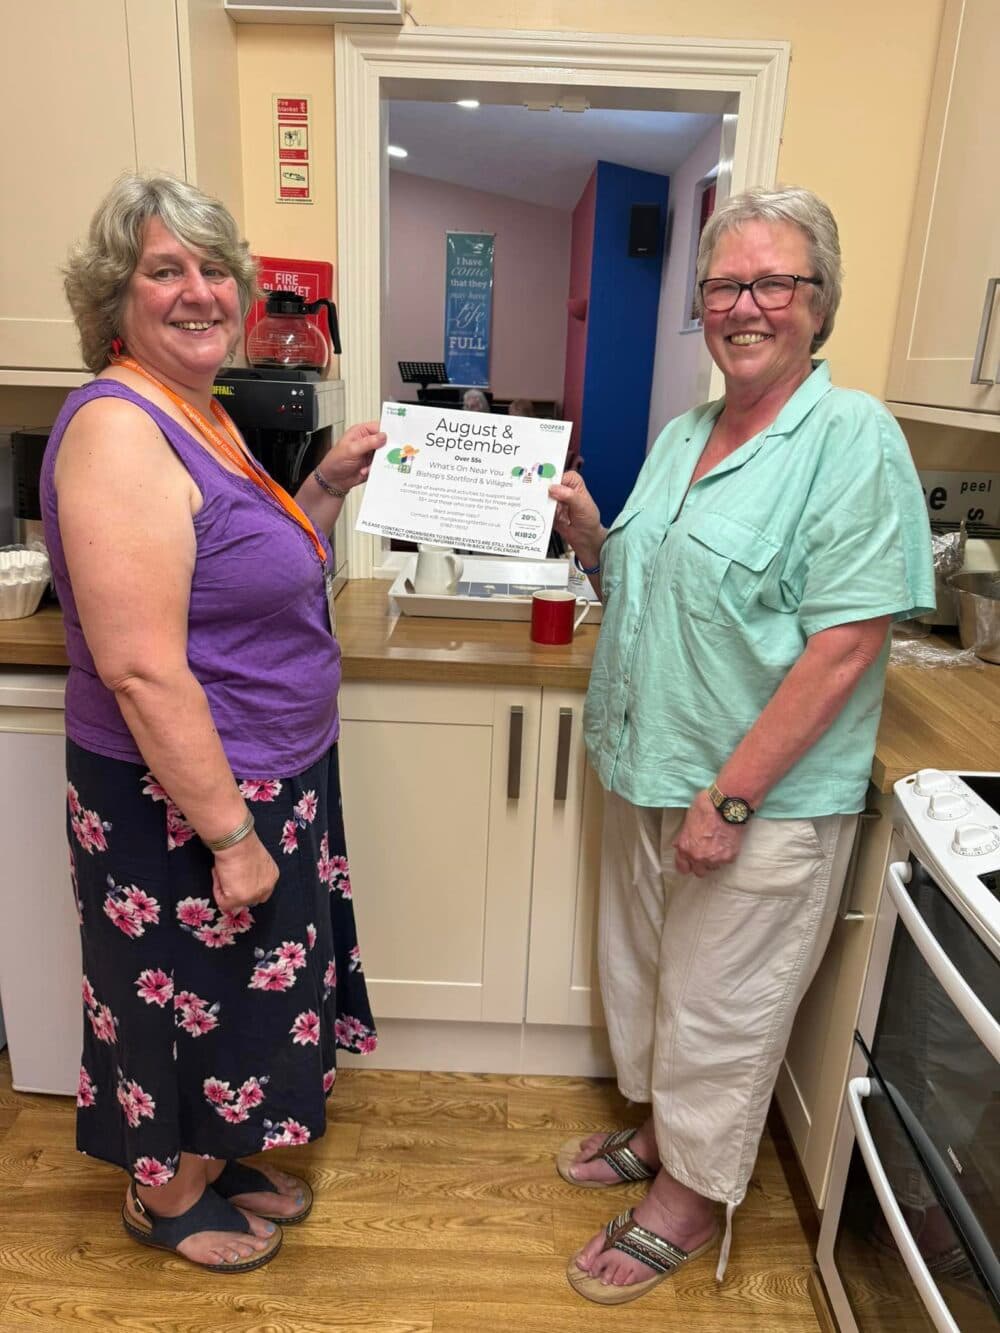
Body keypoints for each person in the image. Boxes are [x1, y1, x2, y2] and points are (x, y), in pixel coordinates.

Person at [548, 184, 934, 1306]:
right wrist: (590, 541)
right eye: (723, 285)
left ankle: (689, 1194)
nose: (745, 305)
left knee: (722, 1003)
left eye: (774, 282)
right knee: (654, 979)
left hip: (749, 795)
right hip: (648, 762)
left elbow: (846, 642)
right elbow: (650, 588)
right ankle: (666, 1138)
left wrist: (730, 799)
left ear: (819, 305)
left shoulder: (851, 436)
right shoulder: (684, 432)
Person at [41, 173, 384, 1274]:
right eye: (165, 269)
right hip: (178, 796)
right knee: (172, 993)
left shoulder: (202, 410)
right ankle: (165, 1187)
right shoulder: (116, 427)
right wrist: (231, 834)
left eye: (214, 268)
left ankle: (217, 1145)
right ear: (116, 297)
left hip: (258, 772)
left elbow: (246, 575)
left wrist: (321, 488)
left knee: (230, 998)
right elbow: (141, 667)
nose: (201, 291)